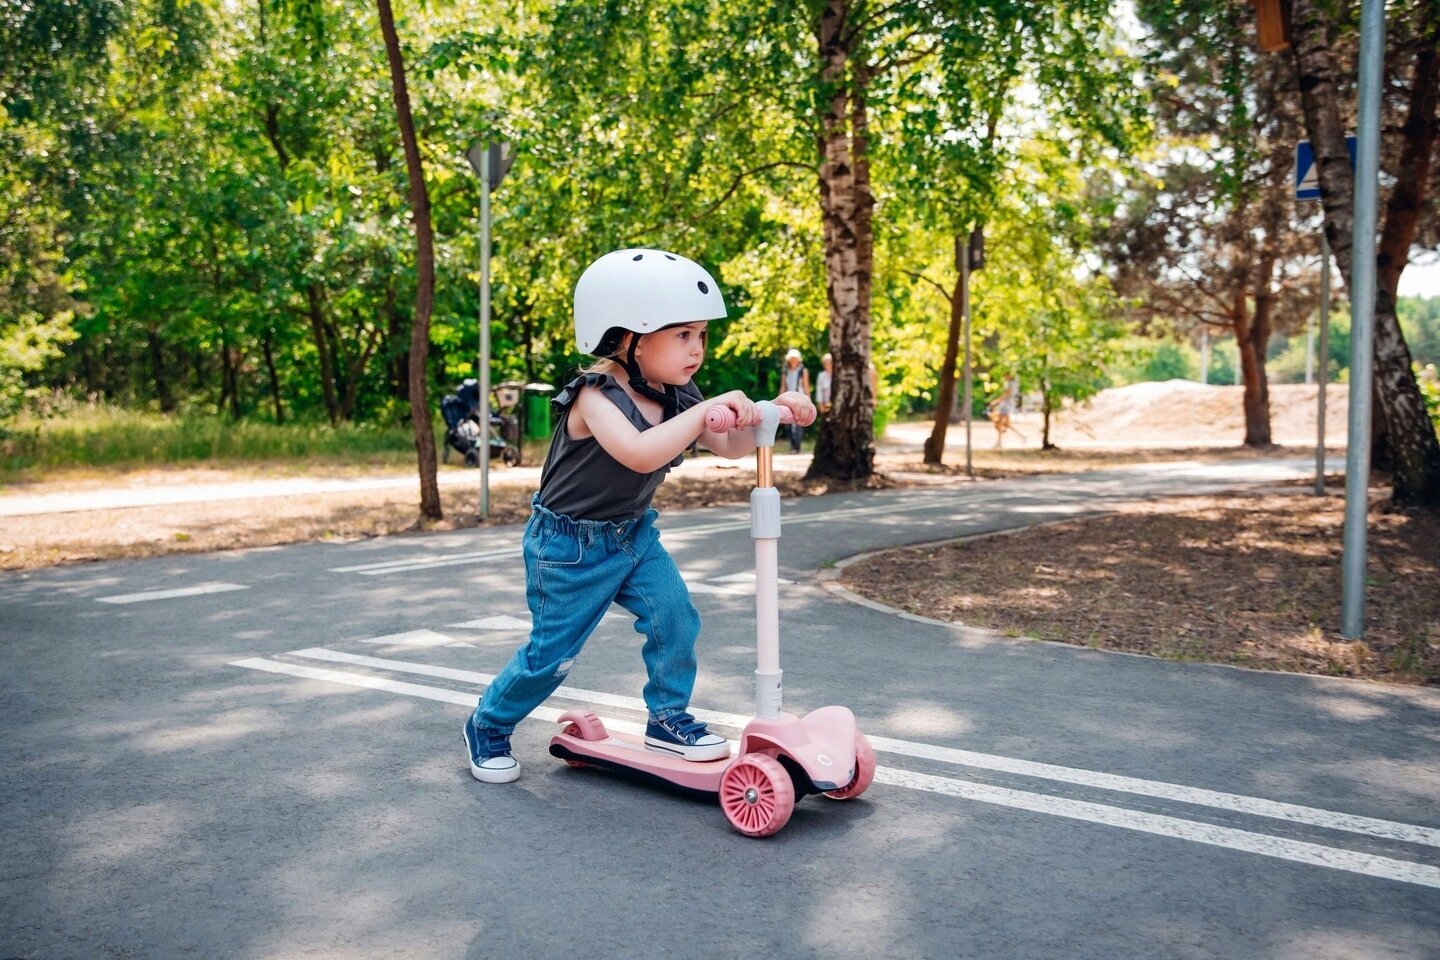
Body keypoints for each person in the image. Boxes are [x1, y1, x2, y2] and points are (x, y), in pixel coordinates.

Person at [463, 248, 816, 783]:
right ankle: (489, 724)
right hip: (568, 548)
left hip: (632, 536)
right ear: (627, 337)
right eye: (682, 335)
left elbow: (730, 445)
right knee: (550, 657)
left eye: (700, 334)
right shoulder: (593, 396)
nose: (696, 348)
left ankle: (668, 717)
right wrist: (703, 410)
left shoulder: (678, 394)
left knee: (675, 615)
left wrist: (772, 411)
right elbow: (640, 452)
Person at [781, 348, 810, 452]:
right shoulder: (785, 371)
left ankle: (797, 447)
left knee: (798, 422)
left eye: (795, 358)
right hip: (788, 399)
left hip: (799, 399)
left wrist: (808, 401)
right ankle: (792, 445)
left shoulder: (803, 371)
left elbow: (806, 387)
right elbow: (783, 386)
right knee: (788, 422)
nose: (793, 360)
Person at [986, 372, 1021, 448]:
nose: (1004, 377)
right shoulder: (1012, 384)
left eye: (1005, 375)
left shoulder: (1010, 384)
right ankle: (1021, 436)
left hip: (1006, 406)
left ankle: (999, 442)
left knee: (999, 422)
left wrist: (995, 401)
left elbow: (1006, 395)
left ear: (1009, 375)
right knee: (1005, 424)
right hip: (1007, 405)